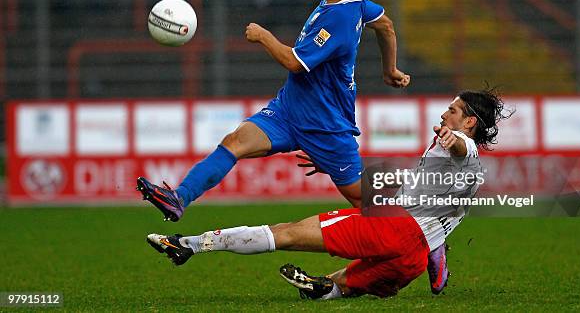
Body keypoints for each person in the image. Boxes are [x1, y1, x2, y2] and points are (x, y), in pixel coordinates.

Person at [144, 88, 511, 299]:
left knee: (285, 233)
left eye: (453, 110)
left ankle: (188, 244)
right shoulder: (469, 177)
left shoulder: (460, 145)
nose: (445, 113)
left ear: (469, 123)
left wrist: (453, 139)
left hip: (393, 228)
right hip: (409, 260)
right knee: (341, 285)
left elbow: (463, 147)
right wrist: (336, 166)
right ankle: (328, 289)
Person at [136, 0, 408, 219]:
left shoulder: (340, 18)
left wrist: (263, 35)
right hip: (288, 111)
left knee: (362, 199)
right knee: (235, 142)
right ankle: (179, 198)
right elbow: (386, 26)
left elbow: (294, 63)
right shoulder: (356, 3)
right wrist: (390, 69)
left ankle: (420, 228)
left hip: (326, 124)